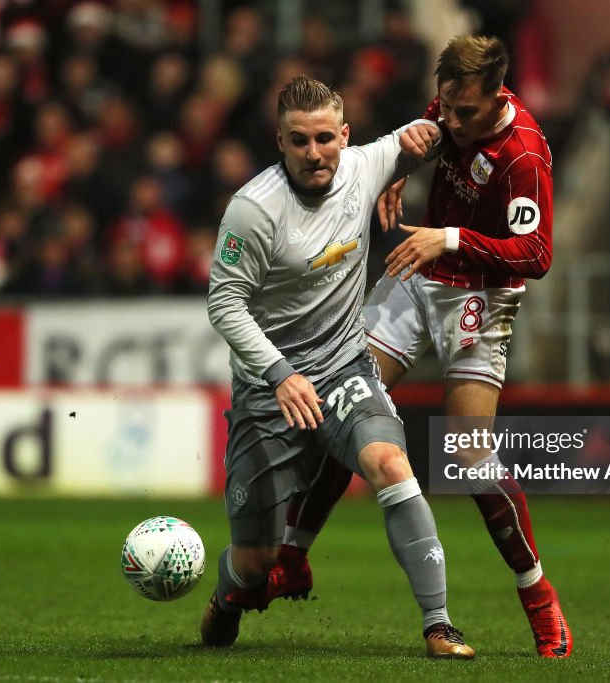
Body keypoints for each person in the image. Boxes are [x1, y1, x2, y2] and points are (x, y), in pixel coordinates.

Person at [266, 36, 574, 659]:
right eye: (446, 107)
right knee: (340, 405)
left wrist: (451, 238)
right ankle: (292, 557)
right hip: (418, 275)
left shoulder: (523, 157)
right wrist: (399, 174)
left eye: (464, 114)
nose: (450, 121)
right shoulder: (447, 108)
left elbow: (536, 256)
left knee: (468, 458)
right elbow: (417, 139)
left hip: (480, 299)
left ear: (497, 96)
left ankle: (538, 594)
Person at [201, 75, 474, 659]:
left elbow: (437, 128)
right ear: (280, 140)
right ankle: (229, 597)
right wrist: (278, 373)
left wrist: (409, 165)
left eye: (325, 138)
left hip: (346, 367)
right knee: (255, 562)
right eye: (299, 141)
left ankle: (439, 624)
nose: (314, 152)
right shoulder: (252, 211)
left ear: (344, 135)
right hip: (270, 391)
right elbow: (224, 303)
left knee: (390, 464)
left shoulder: (366, 163)